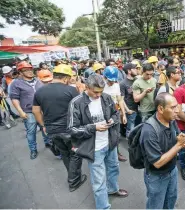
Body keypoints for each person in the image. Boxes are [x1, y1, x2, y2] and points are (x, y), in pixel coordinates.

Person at [68, 74, 128, 209]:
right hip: (93, 148)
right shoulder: (76, 103)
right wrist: (93, 128)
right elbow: (72, 129)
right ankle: (103, 207)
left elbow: (115, 113)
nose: (98, 95)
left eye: (101, 92)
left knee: (113, 169)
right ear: (86, 87)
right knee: (99, 181)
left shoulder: (105, 97)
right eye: (95, 92)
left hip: (110, 143)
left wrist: (113, 119)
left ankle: (112, 189)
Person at [32, 64, 86, 192]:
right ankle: (73, 181)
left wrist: (43, 125)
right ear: (66, 78)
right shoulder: (71, 90)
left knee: (65, 154)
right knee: (75, 154)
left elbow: (35, 111)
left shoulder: (39, 91)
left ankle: (72, 176)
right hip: (69, 129)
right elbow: (80, 109)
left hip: (52, 130)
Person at [140, 93, 185, 209]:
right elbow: (157, 163)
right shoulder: (149, 131)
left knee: (170, 202)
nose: (177, 111)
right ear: (161, 109)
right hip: (157, 177)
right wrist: (179, 145)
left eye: (177, 106)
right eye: (173, 107)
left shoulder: (171, 120)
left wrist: (182, 139)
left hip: (172, 170)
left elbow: (177, 136)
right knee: (156, 206)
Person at [10, 61, 50, 159]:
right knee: (31, 132)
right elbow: (14, 99)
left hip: (42, 110)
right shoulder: (16, 83)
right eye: (25, 70)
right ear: (20, 72)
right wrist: (20, 112)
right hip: (28, 111)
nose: (29, 71)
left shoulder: (39, 80)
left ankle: (48, 143)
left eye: (30, 69)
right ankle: (33, 150)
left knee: (44, 127)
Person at [103, 66, 128, 162]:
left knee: (116, 134)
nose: (111, 82)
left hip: (115, 112)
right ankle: (106, 153)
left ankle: (116, 153)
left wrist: (124, 114)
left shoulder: (116, 85)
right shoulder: (100, 86)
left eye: (113, 80)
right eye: (110, 80)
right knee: (105, 134)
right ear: (105, 77)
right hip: (104, 114)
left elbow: (120, 100)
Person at [120, 63, 139, 137]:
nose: (136, 70)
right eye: (134, 69)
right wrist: (127, 110)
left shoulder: (137, 80)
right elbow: (121, 99)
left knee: (137, 128)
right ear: (129, 71)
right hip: (130, 109)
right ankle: (131, 146)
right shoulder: (123, 83)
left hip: (139, 108)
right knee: (130, 129)